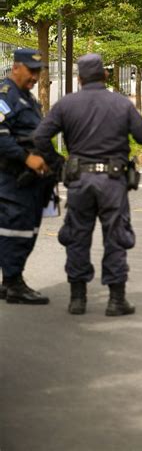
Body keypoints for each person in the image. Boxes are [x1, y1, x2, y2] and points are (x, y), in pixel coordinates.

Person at [33, 53, 142, 316]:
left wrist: (58, 163)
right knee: (116, 237)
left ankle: (78, 299)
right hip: (113, 181)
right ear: (106, 75)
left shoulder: (67, 104)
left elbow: (40, 137)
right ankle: (116, 300)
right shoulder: (120, 103)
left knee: (77, 236)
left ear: (79, 78)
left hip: (79, 181)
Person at [0, 48, 52, 305]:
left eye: (37, 72)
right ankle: (13, 282)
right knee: (15, 230)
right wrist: (26, 158)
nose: (34, 77)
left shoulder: (28, 99)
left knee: (26, 228)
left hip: (31, 179)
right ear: (16, 67)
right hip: (11, 177)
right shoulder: (5, 96)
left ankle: (10, 280)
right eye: (31, 71)